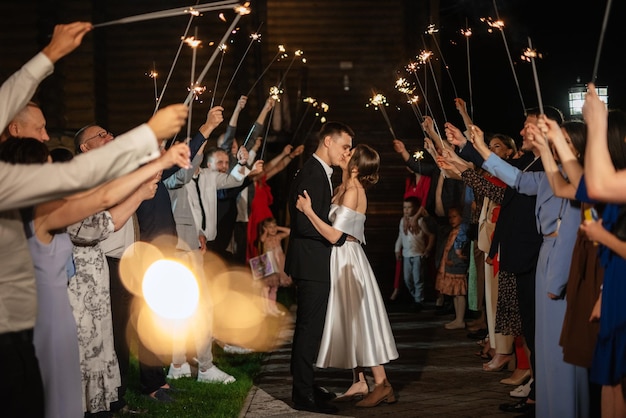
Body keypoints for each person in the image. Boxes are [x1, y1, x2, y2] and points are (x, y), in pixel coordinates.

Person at [0, 21, 187, 418]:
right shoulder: (39, 205)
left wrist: (51, 53)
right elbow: (99, 197)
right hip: (44, 320)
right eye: (42, 133)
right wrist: (152, 142)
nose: (49, 138)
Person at [295, 144, 398, 407]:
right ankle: (360, 380)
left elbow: (335, 236)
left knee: (358, 319)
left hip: (347, 259)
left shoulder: (352, 192)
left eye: (349, 152)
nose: (344, 152)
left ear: (353, 166)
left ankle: (382, 383)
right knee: (348, 318)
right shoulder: (341, 187)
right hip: (338, 259)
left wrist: (308, 211)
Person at [285, 121, 354, 414]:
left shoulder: (322, 172)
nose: (347, 153)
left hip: (316, 261)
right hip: (311, 262)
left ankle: (307, 385)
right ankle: (302, 395)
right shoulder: (312, 173)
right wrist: (336, 235)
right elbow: (302, 224)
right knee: (308, 331)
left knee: (313, 330)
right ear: (328, 141)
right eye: (345, 146)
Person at [394, 196, 434, 311]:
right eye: (404, 207)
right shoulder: (402, 221)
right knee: (407, 279)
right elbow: (401, 236)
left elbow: (431, 235)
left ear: (415, 208)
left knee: (418, 279)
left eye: (409, 207)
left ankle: (418, 301)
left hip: (417, 254)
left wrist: (427, 249)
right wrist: (397, 249)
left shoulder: (420, 221)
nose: (406, 210)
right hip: (407, 255)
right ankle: (415, 297)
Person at [436, 206, 470, 329]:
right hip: (451, 267)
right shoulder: (453, 231)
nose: (451, 220)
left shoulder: (462, 232)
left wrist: (455, 261)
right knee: (455, 294)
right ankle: (457, 318)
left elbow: (462, 251)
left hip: (458, 267)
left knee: (459, 293)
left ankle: (460, 319)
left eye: (455, 216)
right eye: (450, 217)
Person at [257, 217, 291, 316]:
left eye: (274, 227)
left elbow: (289, 231)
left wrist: (278, 228)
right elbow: (262, 239)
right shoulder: (266, 238)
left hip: (278, 264)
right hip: (269, 264)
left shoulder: (278, 237)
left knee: (275, 287)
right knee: (266, 287)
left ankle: (273, 306)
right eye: (270, 227)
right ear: (265, 228)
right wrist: (265, 231)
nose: (272, 229)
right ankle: (265, 307)